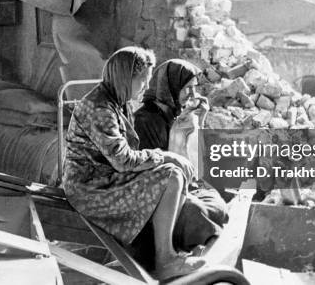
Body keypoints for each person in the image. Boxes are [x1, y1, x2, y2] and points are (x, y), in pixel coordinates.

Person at [62, 47, 206, 279]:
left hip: (106, 177)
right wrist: (165, 156)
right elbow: (124, 159)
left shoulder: (117, 102)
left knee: (174, 173)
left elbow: (129, 156)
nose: (146, 86)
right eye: (143, 80)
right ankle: (165, 259)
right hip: (89, 187)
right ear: (126, 78)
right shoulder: (99, 108)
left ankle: (161, 252)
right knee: (171, 175)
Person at [133, 59, 229, 259]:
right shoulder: (146, 120)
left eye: (195, 89)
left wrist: (199, 122)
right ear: (170, 87)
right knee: (197, 212)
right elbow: (155, 173)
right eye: (187, 89)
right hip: (156, 194)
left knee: (215, 202)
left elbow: (195, 166)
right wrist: (177, 135)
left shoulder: (176, 114)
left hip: (182, 185)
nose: (193, 96)